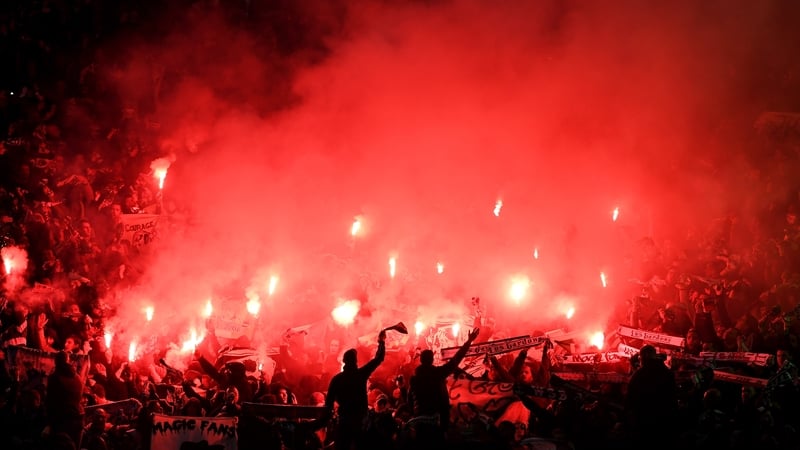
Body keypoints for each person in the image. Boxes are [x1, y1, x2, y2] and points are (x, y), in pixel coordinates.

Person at [408, 327, 480, 447]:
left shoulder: (414, 379)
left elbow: (409, 399)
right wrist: (468, 341)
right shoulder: (438, 373)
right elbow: (456, 359)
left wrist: (414, 415)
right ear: (432, 360)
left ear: (420, 360)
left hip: (419, 421)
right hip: (437, 421)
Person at [322, 329, 386, 450]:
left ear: (344, 362)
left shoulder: (336, 379)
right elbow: (379, 358)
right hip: (359, 422)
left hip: (344, 422)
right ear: (355, 361)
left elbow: (328, 404)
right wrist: (381, 342)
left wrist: (325, 420)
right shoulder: (361, 374)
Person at [624, 344, 676, 450]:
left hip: (644, 421)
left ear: (642, 357)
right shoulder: (667, 373)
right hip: (664, 421)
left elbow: (630, 398)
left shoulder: (639, 375)